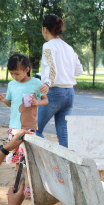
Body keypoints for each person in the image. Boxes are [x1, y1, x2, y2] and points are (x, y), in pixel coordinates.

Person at [36, 14, 83, 147]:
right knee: (64, 137)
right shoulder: (69, 47)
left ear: (44, 29)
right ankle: (66, 167)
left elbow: (51, 67)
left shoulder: (48, 46)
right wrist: (65, 72)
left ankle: (48, 156)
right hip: (70, 93)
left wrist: (47, 82)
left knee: (34, 130)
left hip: (54, 93)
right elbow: (79, 70)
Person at [0, 53, 48, 165]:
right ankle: (21, 182)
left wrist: (37, 102)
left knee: (28, 157)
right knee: (16, 157)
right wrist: (4, 100)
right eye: (11, 73)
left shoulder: (36, 83)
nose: (14, 76)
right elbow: (10, 103)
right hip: (14, 126)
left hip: (29, 127)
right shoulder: (11, 85)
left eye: (17, 73)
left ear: (27, 70)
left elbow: (46, 100)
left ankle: (26, 181)